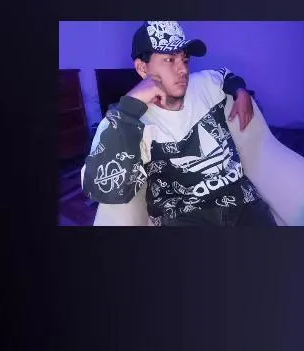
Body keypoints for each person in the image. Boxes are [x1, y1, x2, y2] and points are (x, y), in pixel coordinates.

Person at [83, 21, 274, 226]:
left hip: (242, 202)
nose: (183, 69)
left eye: (185, 59)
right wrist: (130, 106)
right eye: (169, 59)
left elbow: (226, 75)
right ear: (142, 68)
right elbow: (105, 190)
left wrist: (241, 92)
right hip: (183, 215)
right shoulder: (124, 120)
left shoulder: (204, 82)